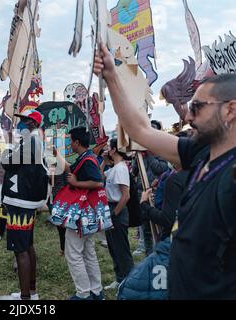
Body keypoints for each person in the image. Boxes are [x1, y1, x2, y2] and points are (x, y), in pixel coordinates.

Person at [94, 44, 236, 299]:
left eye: (198, 107)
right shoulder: (200, 151)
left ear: (230, 110)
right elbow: (141, 130)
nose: (189, 116)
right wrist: (112, 77)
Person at [0, 109, 49, 300]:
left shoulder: (31, 142)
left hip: (20, 202)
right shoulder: (33, 141)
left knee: (21, 250)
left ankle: (25, 298)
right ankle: (31, 291)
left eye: (23, 121)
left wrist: (8, 149)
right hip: (25, 201)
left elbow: (7, 162)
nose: (20, 124)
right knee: (27, 245)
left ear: (31, 124)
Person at [54, 126, 105, 300]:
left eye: (70, 140)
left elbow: (98, 182)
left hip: (81, 213)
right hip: (88, 212)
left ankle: (83, 294)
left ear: (77, 142)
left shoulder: (88, 160)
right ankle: (96, 291)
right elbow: (70, 169)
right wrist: (57, 154)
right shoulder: (86, 157)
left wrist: (77, 182)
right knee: (88, 252)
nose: (69, 143)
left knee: (73, 253)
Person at [132, 120, 169, 256]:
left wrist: (148, 153)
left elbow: (161, 168)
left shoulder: (161, 151)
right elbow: (135, 172)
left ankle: (158, 253)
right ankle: (148, 253)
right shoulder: (140, 153)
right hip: (142, 193)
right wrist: (137, 157)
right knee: (145, 227)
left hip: (155, 194)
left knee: (157, 227)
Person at [101, 138, 134, 290]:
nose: (107, 148)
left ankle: (128, 282)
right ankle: (119, 278)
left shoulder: (120, 168)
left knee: (121, 249)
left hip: (117, 210)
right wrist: (103, 161)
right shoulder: (114, 167)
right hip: (111, 209)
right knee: (113, 247)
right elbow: (100, 176)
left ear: (114, 149)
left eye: (109, 147)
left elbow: (125, 196)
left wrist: (115, 213)